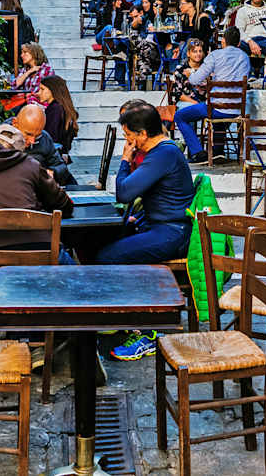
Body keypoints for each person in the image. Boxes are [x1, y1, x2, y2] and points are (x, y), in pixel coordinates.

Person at [96, 102, 195, 360]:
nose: (128, 141)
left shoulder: (163, 154)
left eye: (129, 136)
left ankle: (148, 334)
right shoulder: (162, 152)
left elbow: (124, 191)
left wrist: (124, 160)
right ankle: (122, 316)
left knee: (108, 257)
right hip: (157, 225)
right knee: (98, 244)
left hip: (172, 233)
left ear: (142, 134)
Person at [174, 27, 251, 162]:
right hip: (237, 110)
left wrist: (190, 73)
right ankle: (217, 152)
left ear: (223, 41)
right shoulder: (245, 57)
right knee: (219, 113)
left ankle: (198, 152)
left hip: (216, 109)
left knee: (179, 116)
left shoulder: (215, 55)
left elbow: (194, 80)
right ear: (239, 43)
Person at [16, 103, 75, 184]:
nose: (32, 141)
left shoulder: (44, 137)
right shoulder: (2, 139)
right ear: (15, 124)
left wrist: (53, 172)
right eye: (28, 134)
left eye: (37, 136)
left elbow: (61, 166)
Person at [37, 75, 78, 154]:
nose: (38, 93)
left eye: (42, 89)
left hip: (50, 155)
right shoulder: (60, 107)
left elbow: (50, 137)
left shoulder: (55, 109)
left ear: (53, 90)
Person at [169, 39, 208, 105]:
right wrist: (196, 104)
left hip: (204, 104)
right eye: (195, 51)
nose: (198, 54)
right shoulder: (180, 69)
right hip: (186, 103)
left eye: (200, 51)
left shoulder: (206, 69)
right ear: (188, 54)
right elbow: (179, 94)